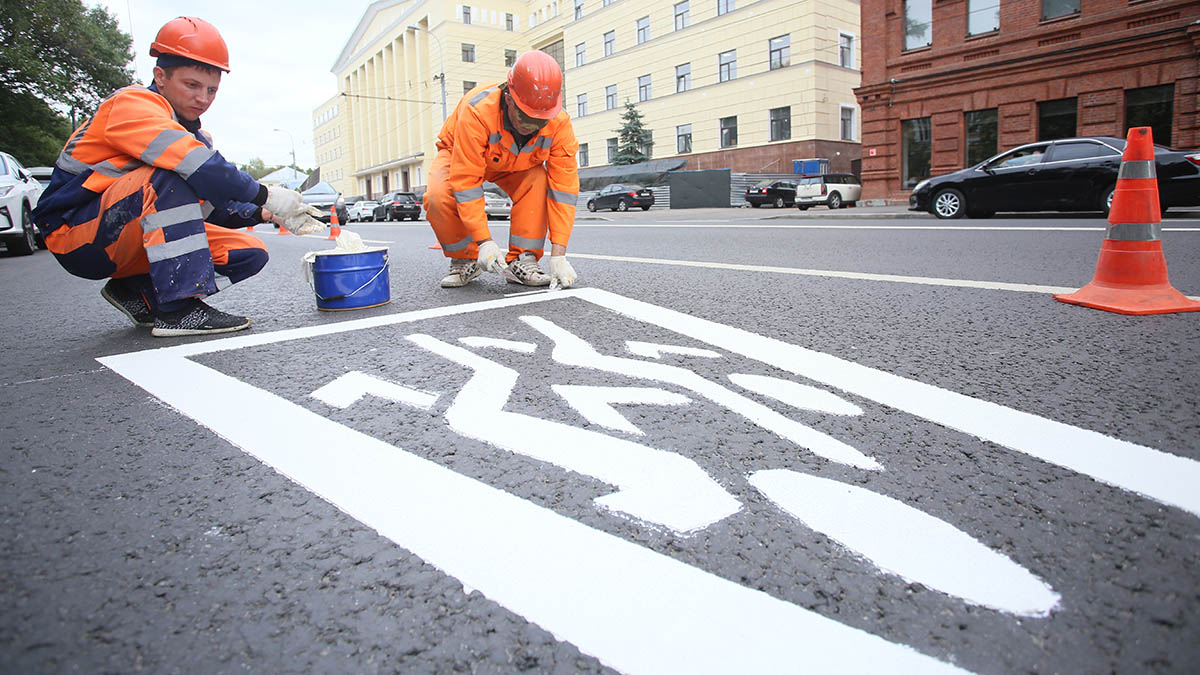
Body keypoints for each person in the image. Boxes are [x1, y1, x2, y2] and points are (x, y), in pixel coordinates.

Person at [32, 16, 322, 337]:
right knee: (170, 174)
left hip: (122, 233)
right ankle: (178, 309)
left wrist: (263, 212)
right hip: (75, 234)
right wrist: (267, 194)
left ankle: (137, 291)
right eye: (192, 85)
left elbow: (208, 204)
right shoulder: (133, 105)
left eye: (212, 89)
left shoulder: (190, 135)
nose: (203, 98)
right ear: (160, 76)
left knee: (250, 253)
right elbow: (198, 168)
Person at [424, 50, 580, 289]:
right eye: (526, 118)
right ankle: (466, 259)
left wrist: (559, 254)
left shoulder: (559, 123)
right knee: (438, 196)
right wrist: (483, 241)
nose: (532, 127)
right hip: (461, 154)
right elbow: (466, 182)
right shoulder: (477, 111)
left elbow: (564, 190)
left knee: (538, 180)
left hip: (516, 164)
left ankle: (522, 260)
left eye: (541, 121)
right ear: (509, 99)